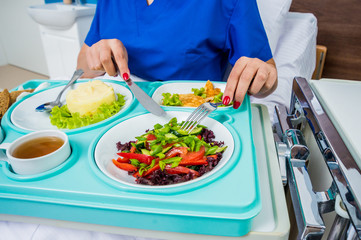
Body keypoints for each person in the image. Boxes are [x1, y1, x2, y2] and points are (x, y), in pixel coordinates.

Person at [77, 0, 277, 110]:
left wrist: (263, 75)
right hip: (121, 110)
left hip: (192, 115)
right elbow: (82, 68)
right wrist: (97, 55)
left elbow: (265, 77)